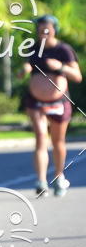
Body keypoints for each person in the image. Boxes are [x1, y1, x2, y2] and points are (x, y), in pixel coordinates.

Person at [19, 14, 82, 196]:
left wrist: (60, 67)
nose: (43, 32)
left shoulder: (64, 50)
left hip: (59, 102)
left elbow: (77, 76)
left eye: (47, 28)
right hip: (36, 101)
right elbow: (27, 66)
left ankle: (58, 177)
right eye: (40, 29)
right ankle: (41, 181)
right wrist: (24, 70)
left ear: (54, 29)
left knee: (57, 141)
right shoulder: (32, 49)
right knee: (40, 137)